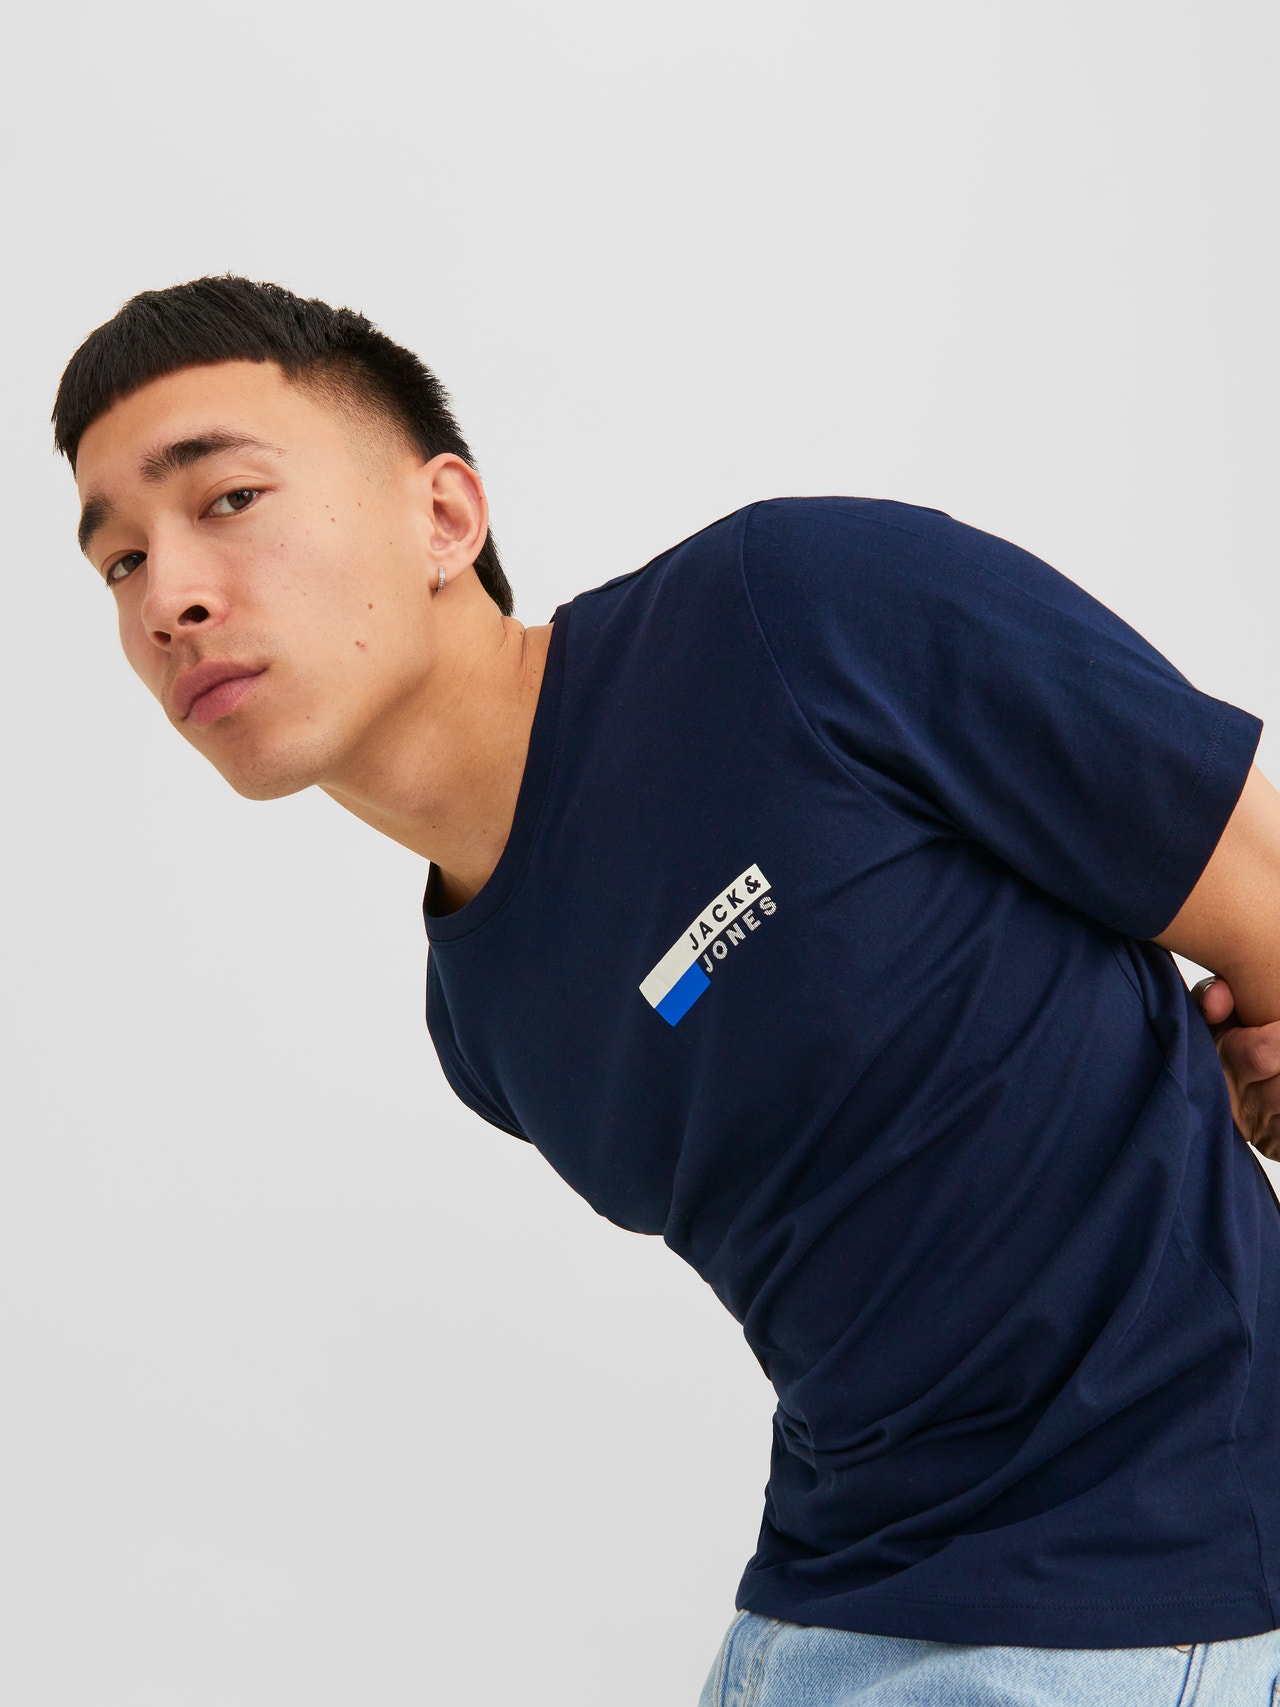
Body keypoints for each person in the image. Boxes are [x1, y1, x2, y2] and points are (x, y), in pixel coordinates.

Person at [54, 275, 1280, 1706]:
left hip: (1130, 1588)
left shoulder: (797, 612)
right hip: (811, 1611)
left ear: (444, 516)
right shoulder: (478, 1019)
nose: (171, 598)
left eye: (228, 500)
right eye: (120, 562)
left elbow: (1261, 902)